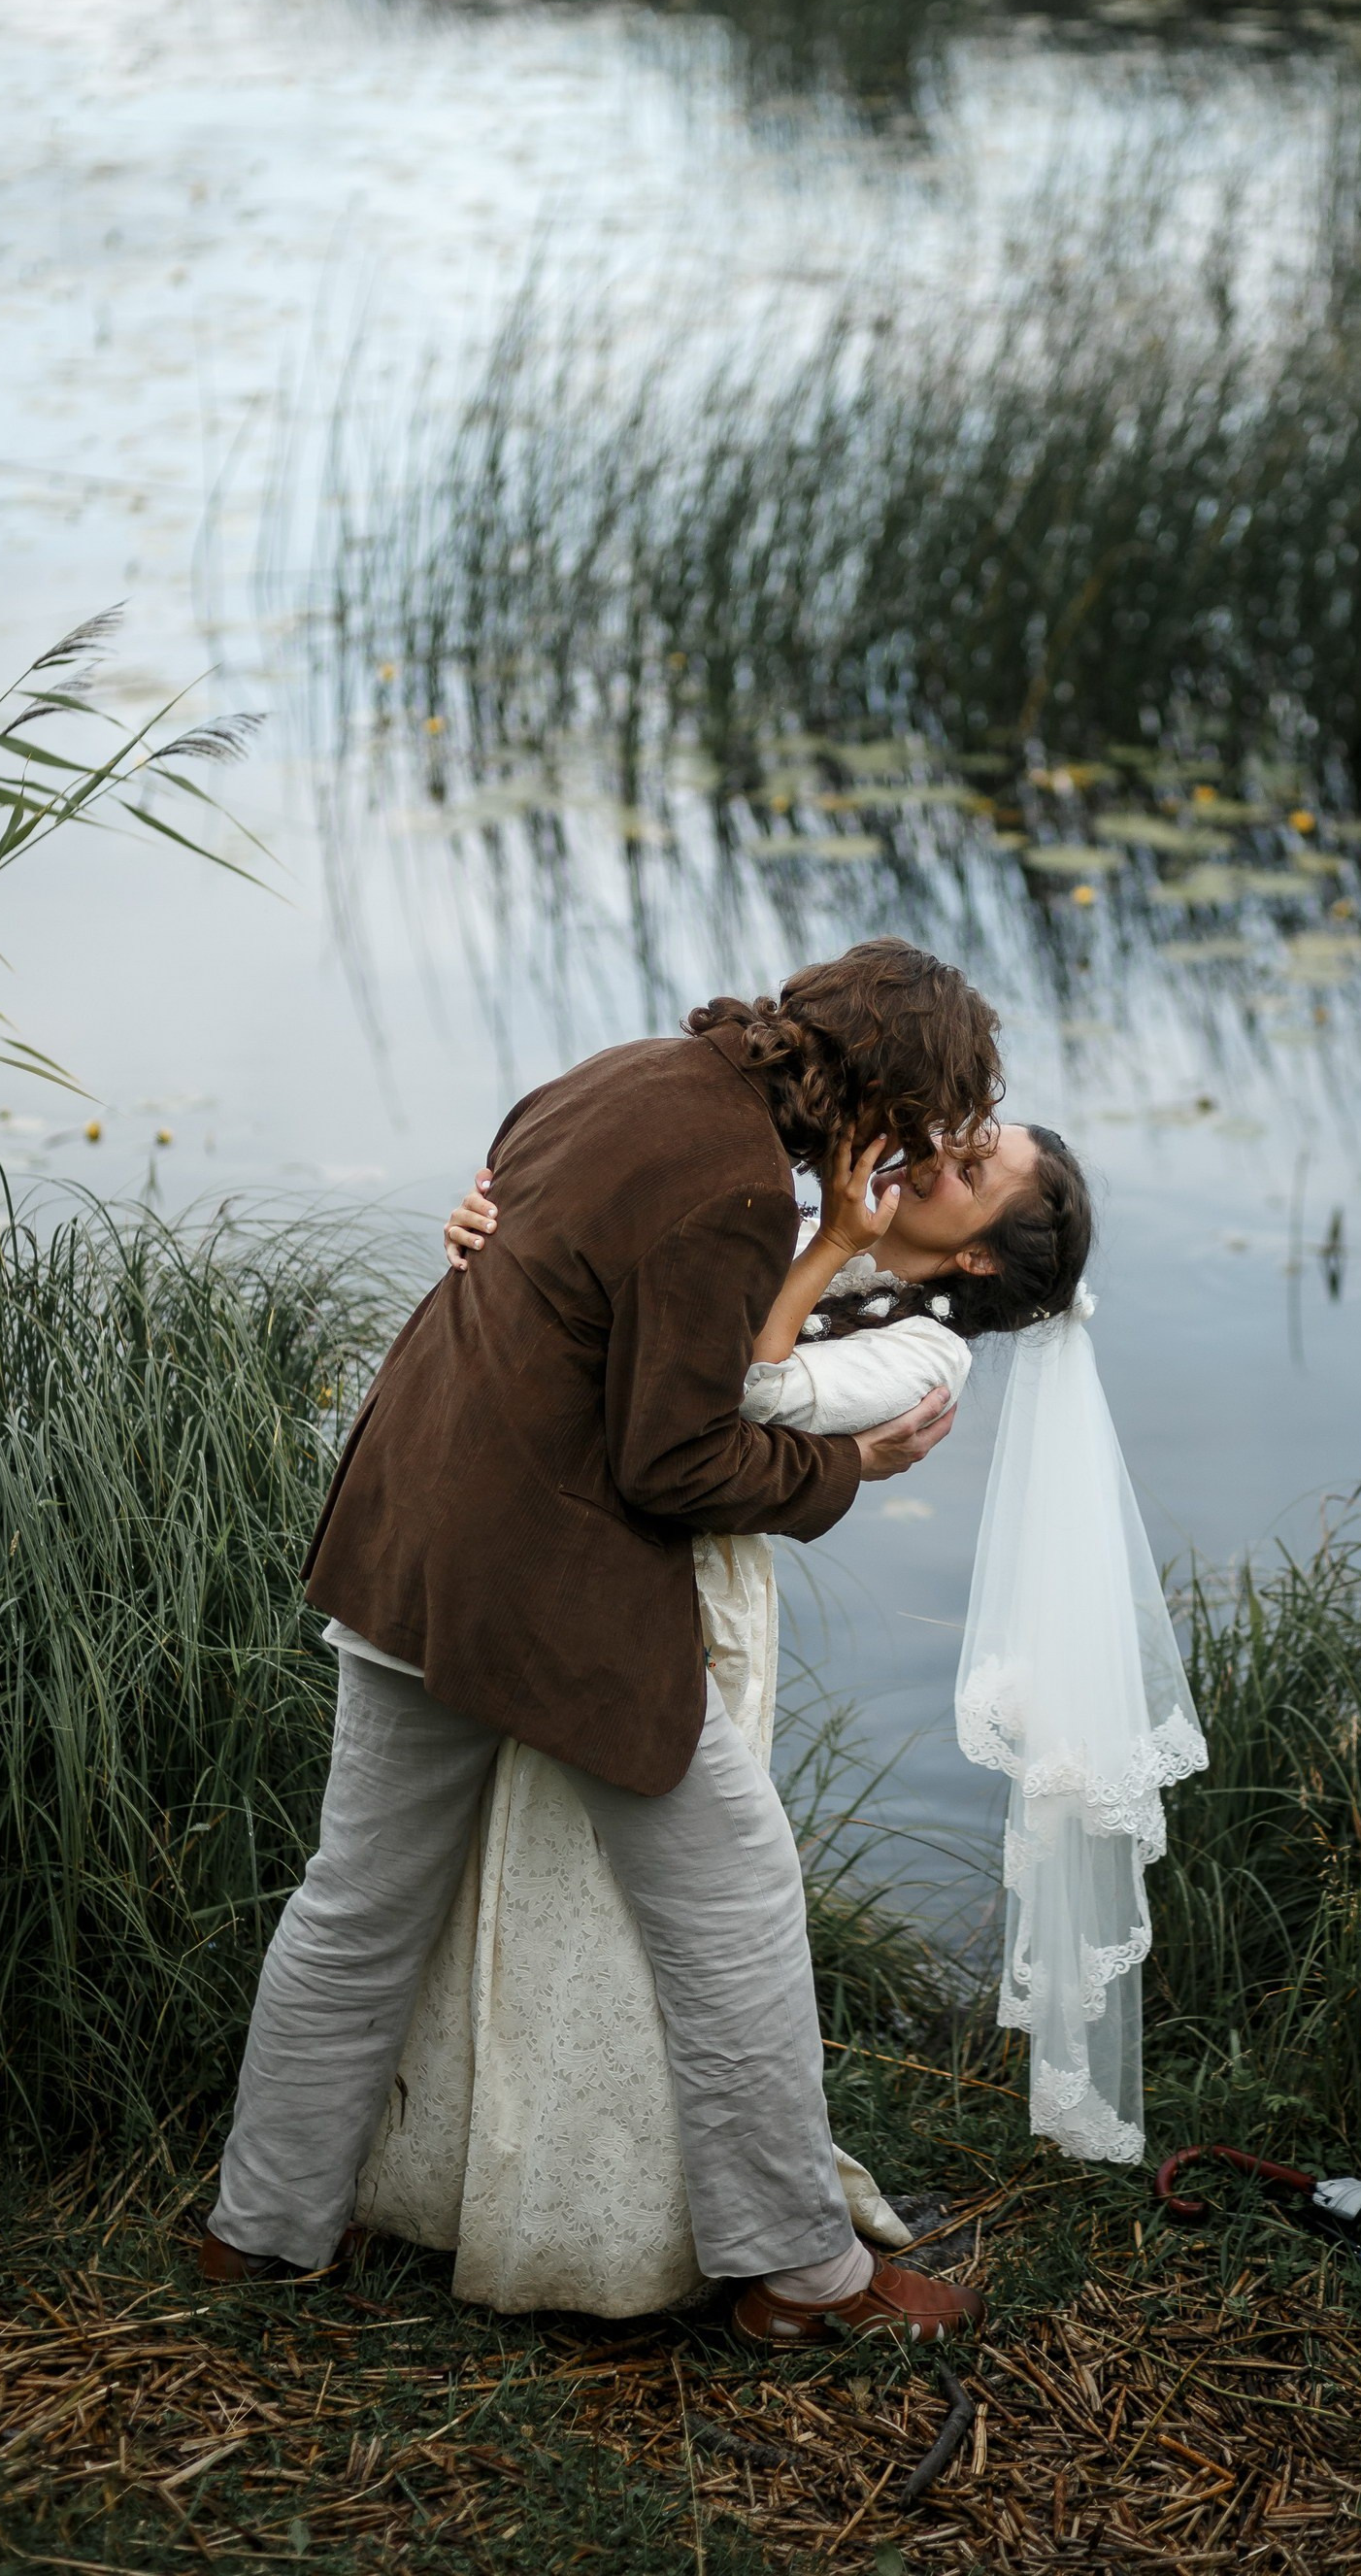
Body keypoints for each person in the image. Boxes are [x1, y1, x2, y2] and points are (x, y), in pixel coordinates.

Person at [203, 940, 1002, 2344]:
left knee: (358, 1899)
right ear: (878, 1109)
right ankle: (801, 2280)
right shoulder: (736, 1187)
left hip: (408, 1536)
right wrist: (851, 1467)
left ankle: (258, 2234)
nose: (917, 1163)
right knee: (739, 1899)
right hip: (545, 1589)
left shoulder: (622, 1074)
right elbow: (673, 1461)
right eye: (925, 1133)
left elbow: (531, 1264)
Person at [358, 1117, 1093, 2321]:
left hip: (676, 1610)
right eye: (959, 1137)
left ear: (973, 1260)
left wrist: (821, 1251)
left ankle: (675, 2227)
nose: (935, 1157)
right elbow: (614, 1293)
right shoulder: (813, 1226)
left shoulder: (921, 1354)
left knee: (671, 1921)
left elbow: (735, 1385)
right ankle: (466, 2174)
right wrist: (492, 1233)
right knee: (527, 1881)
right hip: (545, 1560)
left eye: (970, 1173)